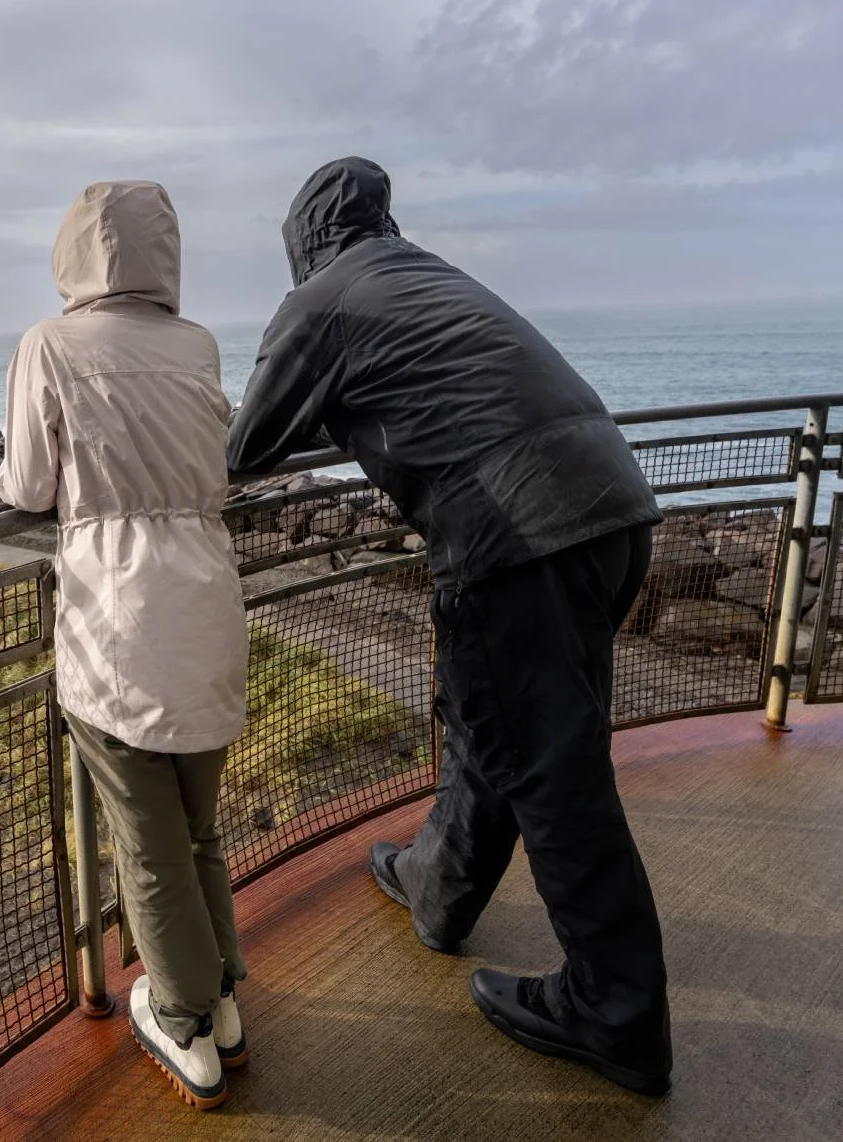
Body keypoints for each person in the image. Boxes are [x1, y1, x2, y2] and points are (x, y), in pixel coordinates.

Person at [226, 156, 672, 1095]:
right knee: (494, 722)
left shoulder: (322, 301)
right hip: (611, 506)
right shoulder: (422, 272)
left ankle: (615, 1008)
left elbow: (245, 446)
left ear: (302, 241)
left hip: (519, 532)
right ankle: (439, 883)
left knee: (553, 770)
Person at [0, 180, 250, 1111]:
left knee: (146, 841)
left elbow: (28, 485)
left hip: (118, 624)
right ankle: (222, 999)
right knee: (196, 826)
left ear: (72, 254)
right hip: (208, 606)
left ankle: (183, 1020)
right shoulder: (198, 344)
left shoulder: (50, 345)